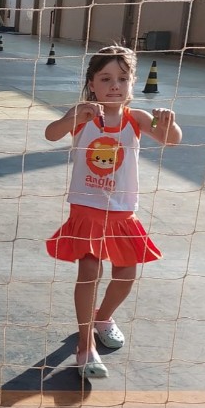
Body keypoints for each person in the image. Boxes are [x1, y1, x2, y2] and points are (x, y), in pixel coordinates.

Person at [44, 45, 182, 379]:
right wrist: (72, 118)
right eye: (105, 78)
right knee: (89, 272)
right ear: (92, 83)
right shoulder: (84, 114)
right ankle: (85, 343)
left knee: (125, 275)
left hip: (122, 212)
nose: (114, 85)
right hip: (87, 210)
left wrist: (169, 123)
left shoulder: (137, 118)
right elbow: (51, 133)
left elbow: (172, 140)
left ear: (132, 83)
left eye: (122, 78)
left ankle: (103, 317)